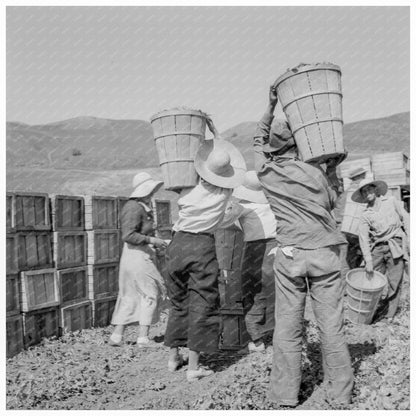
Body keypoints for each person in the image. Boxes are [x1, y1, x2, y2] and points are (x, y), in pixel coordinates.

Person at [253, 85, 354, 407]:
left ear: (274, 148)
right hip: (325, 253)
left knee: (287, 327)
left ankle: (285, 395)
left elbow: (258, 141)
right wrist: (333, 169)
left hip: (290, 255)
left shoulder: (267, 173)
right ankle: (340, 394)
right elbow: (334, 205)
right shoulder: (317, 174)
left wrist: (270, 106)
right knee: (331, 326)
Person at [164, 118, 246, 381]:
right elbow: (224, 159)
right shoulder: (224, 193)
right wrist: (217, 133)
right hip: (201, 246)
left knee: (178, 301)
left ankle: (173, 357)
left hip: (177, 244)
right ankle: (193, 368)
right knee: (202, 302)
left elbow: (207, 155)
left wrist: (209, 133)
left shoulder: (187, 188)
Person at [108, 172, 168, 347]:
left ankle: (117, 336)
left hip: (135, 254)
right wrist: (152, 240)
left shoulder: (138, 207)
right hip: (137, 256)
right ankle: (143, 338)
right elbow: (128, 235)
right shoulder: (135, 208)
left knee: (131, 294)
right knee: (151, 292)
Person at [220, 170, 277, 353]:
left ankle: (257, 340)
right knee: (277, 295)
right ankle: (278, 336)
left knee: (253, 294)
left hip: (255, 251)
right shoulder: (273, 204)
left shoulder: (243, 206)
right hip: (277, 250)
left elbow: (223, 221)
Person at [352, 178, 410, 322]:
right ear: (363, 196)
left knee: (394, 281)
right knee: (371, 280)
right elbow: (363, 238)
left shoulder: (391, 201)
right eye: (364, 192)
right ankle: (369, 313)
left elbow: (406, 218)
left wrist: (409, 239)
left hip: (395, 244)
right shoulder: (365, 214)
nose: (367, 193)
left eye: (369, 189)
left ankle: (390, 314)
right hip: (378, 248)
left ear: (376, 190)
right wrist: (368, 260)